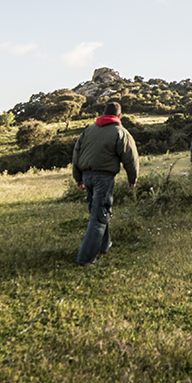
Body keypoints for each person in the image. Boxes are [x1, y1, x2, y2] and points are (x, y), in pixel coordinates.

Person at [71, 101, 138, 265]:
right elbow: (130, 157)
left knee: (97, 211)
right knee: (99, 216)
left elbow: (76, 154)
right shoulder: (120, 132)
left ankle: (104, 245)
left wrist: (78, 177)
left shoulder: (88, 130)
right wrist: (132, 179)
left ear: (102, 113)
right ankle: (86, 259)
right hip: (104, 177)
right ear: (119, 115)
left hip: (87, 176)